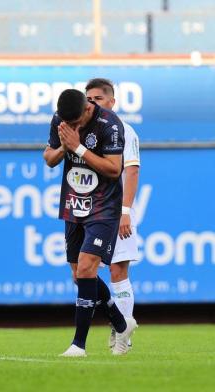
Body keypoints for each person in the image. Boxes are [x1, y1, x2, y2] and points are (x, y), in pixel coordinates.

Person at [43, 89, 137, 357]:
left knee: (86, 267)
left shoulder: (110, 124)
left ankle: (78, 345)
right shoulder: (61, 120)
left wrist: (79, 147)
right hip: (73, 203)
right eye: (66, 123)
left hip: (104, 207)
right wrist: (64, 145)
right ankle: (121, 324)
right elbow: (49, 160)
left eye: (75, 123)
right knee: (79, 275)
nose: (71, 127)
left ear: (87, 109)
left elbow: (113, 169)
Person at [85, 78, 140, 349]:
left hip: (116, 210)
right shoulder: (86, 130)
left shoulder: (124, 131)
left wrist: (125, 211)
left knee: (118, 269)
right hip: (90, 211)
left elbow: (131, 170)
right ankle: (119, 321)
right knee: (82, 271)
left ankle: (123, 334)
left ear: (111, 102)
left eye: (97, 98)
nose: (91, 103)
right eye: (88, 98)